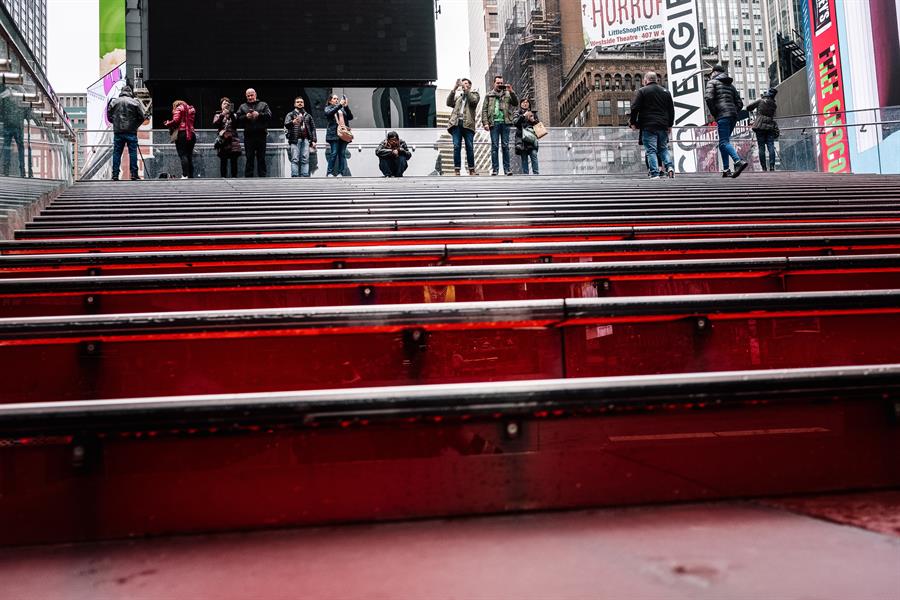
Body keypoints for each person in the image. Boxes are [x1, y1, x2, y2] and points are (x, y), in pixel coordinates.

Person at [629, 71, 675, 179]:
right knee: (663, 149)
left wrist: (633, 122)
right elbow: (671, 110)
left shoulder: (642, 91)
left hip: (648, 125)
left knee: (651, 150)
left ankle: (654, 173)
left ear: (646, 80)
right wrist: (670, 125)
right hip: (663, 125)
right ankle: (669, 167)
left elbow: (634, 108)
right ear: (656, 80)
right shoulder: (666, 92)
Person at [705, 64, 748, 178]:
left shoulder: (712, 82)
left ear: (714, 72)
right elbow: (740, 103)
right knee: (722, 143)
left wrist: (715, 113)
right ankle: (726, 169)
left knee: (724, 142)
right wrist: (733, 111)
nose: (710, 76)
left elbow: (708, 98)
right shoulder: (731, 86)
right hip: (732, 116)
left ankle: (738, 162)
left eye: (711, 74)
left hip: (722, 115)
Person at [106, 85, 149, 181]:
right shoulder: (135, 102)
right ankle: (134, 174)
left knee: (117, 153)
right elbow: (142, 117)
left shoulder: (114, 102)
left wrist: (116, 123)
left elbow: (109, 117)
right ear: (130, 92)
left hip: (118, 132)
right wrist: (135, 126)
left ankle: (115, 175)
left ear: (121, 92)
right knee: (133, 153)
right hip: (131, 132)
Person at [481, 75, 518, 176]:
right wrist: (485, 123)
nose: (500, 85)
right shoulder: (489, 95)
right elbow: (484, 110)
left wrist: (511, 91)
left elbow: (516, 103)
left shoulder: (507, 94)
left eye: (501, 83)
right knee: (495, 147)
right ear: (494, 83)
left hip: (505, 123)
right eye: (498, 83)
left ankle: (507, 169)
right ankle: (495, 169)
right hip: (494, 123)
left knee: (505, 146)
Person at [446, 78, 479, 176]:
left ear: (469, 86)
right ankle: (457, 169)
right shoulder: (458, 97)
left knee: (469, 147)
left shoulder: (475, 95)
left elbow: (473, 101)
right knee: (456, 146)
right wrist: (455, 88)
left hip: (468, 125)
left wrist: (465, 89)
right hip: (456, 124)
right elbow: (448, 103)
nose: (463, 85)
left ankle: (471, 170)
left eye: (466, 84)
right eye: (462, 84)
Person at [236, 88, 272, 177]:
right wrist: (245, 116)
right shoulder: (242, 106)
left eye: (252, 95)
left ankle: (262, 177)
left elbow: (269, 116)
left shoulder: (263, 104)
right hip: (249, 135)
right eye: (248, 96)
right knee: (249, 157)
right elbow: (237, 119)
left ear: (255, 94)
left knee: (261, 157)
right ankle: (248, 177)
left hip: (261, 134)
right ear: (246, 96)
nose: (250, 97)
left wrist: (259, 115)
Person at [283, 96, 317, 178]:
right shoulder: (290, 114)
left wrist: (313, 140)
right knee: (295, 159)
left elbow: (313, 128)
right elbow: (286, 125)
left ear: (303, 104)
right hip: (294, 139)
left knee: (305, 159)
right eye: (298, 102)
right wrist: (293, 122)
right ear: (294, 104)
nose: (300, 103)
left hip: (305, 140)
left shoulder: (308, 115)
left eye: (301, 102)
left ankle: (304, 176)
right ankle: (295, 176)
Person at [747, 88, 779, 172]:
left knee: (761, 147)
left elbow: (748, 107)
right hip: (770, 127)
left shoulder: (760, 101)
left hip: (760, 126)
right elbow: (774, 117)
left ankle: (764, 168)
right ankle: (772, 166)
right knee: (771, 146)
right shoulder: (774, 105)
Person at [164, 100, 196, 179]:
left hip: (182, 134)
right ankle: (190, 175)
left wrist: (168, 123)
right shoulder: (191, 109)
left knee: (183, 154)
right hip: (192, 134)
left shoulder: (179, 108)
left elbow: (176, 120)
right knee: (189, 155)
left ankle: (184, 175)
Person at [324, 93, 354, 177]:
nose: (336, 100)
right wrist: (340, 105)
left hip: (343, 134)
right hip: (334, 134)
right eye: (334, 99)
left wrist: (346, 106)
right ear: (330, 101)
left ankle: (341, 172)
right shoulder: (328, 108)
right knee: (333, 153)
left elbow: (350, 117)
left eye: (337, 99)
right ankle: (329, 172)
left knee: (342, 153)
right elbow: (328, 113)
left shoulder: (342, 109)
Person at [212, 97, 242, 178]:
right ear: (221, 105)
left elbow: (236, 125)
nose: (226, 105)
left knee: (234, 162)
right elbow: (215, 124)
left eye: (228, 104)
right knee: (223, 161)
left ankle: (234, 179)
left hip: (233, 141)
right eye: (224, 104)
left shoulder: (234, 115)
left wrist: (231, 113)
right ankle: (223, 179)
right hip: (223, 141)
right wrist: (222, 115)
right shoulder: (218, 115)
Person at [0, 89, 25, 177]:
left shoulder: (5, 97)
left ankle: (6, 168)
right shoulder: (20, 95)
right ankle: (22, 169)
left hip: (8, 126)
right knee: (20, 147)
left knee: (7, 147)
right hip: (17, 127)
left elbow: (2, 111)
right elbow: (27, 112)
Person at [513, 98, 540, 175]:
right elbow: (515, 123)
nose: (525, 104)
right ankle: (526, 175)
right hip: (521, 139)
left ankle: (536, 174)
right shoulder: (517, 113)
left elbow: (539, 126)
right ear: (520, 104)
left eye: (527, 102)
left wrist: (533, 121)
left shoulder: (533, 113)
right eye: (523, 102)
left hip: (531, 138)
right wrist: (523, 116)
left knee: (534, 154)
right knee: (524, 158)